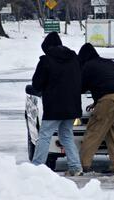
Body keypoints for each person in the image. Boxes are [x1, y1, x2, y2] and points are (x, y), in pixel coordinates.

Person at [31, 32, 83, 176]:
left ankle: (36, 167)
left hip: (54, 106)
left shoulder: (46, 61)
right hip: (72, 106)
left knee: (45, 135)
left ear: (46, 47)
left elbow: (36, 84)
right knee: (66, 135)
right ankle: (75, 167)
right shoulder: (74, 58)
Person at [78, 43, 114, 173]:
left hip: (109, 99)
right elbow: (110, 81)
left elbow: (81, 87)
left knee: (94, 132)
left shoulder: (88, 66)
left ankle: (82, 165)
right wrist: (97, 101)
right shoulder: (109, 63)